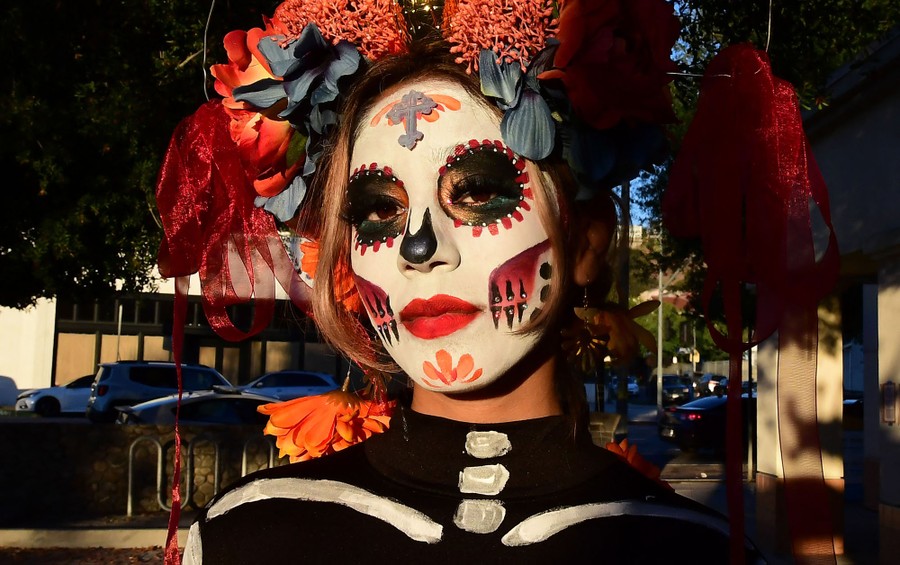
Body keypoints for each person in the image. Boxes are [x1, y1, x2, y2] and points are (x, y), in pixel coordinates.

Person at [157, 1, 762, 562]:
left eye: (476, 192)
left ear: (585, 243)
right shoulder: (247, 538)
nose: (419, 247)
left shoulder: (691, 551)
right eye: (378, 210)